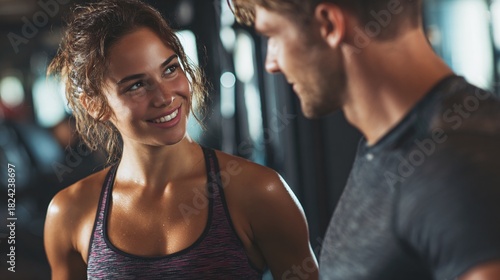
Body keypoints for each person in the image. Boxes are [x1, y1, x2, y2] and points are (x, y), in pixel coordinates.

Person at [43, 0, 318, 279]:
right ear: (95, 105)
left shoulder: (259, 191)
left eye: (170, 69)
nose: (165, 97)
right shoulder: (69, 212)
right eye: (136, 85)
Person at [229, 0, 500, 279]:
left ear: (329, 25)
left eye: (273, 36)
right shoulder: (388, 146)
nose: (271, 63)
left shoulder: (457, 166)